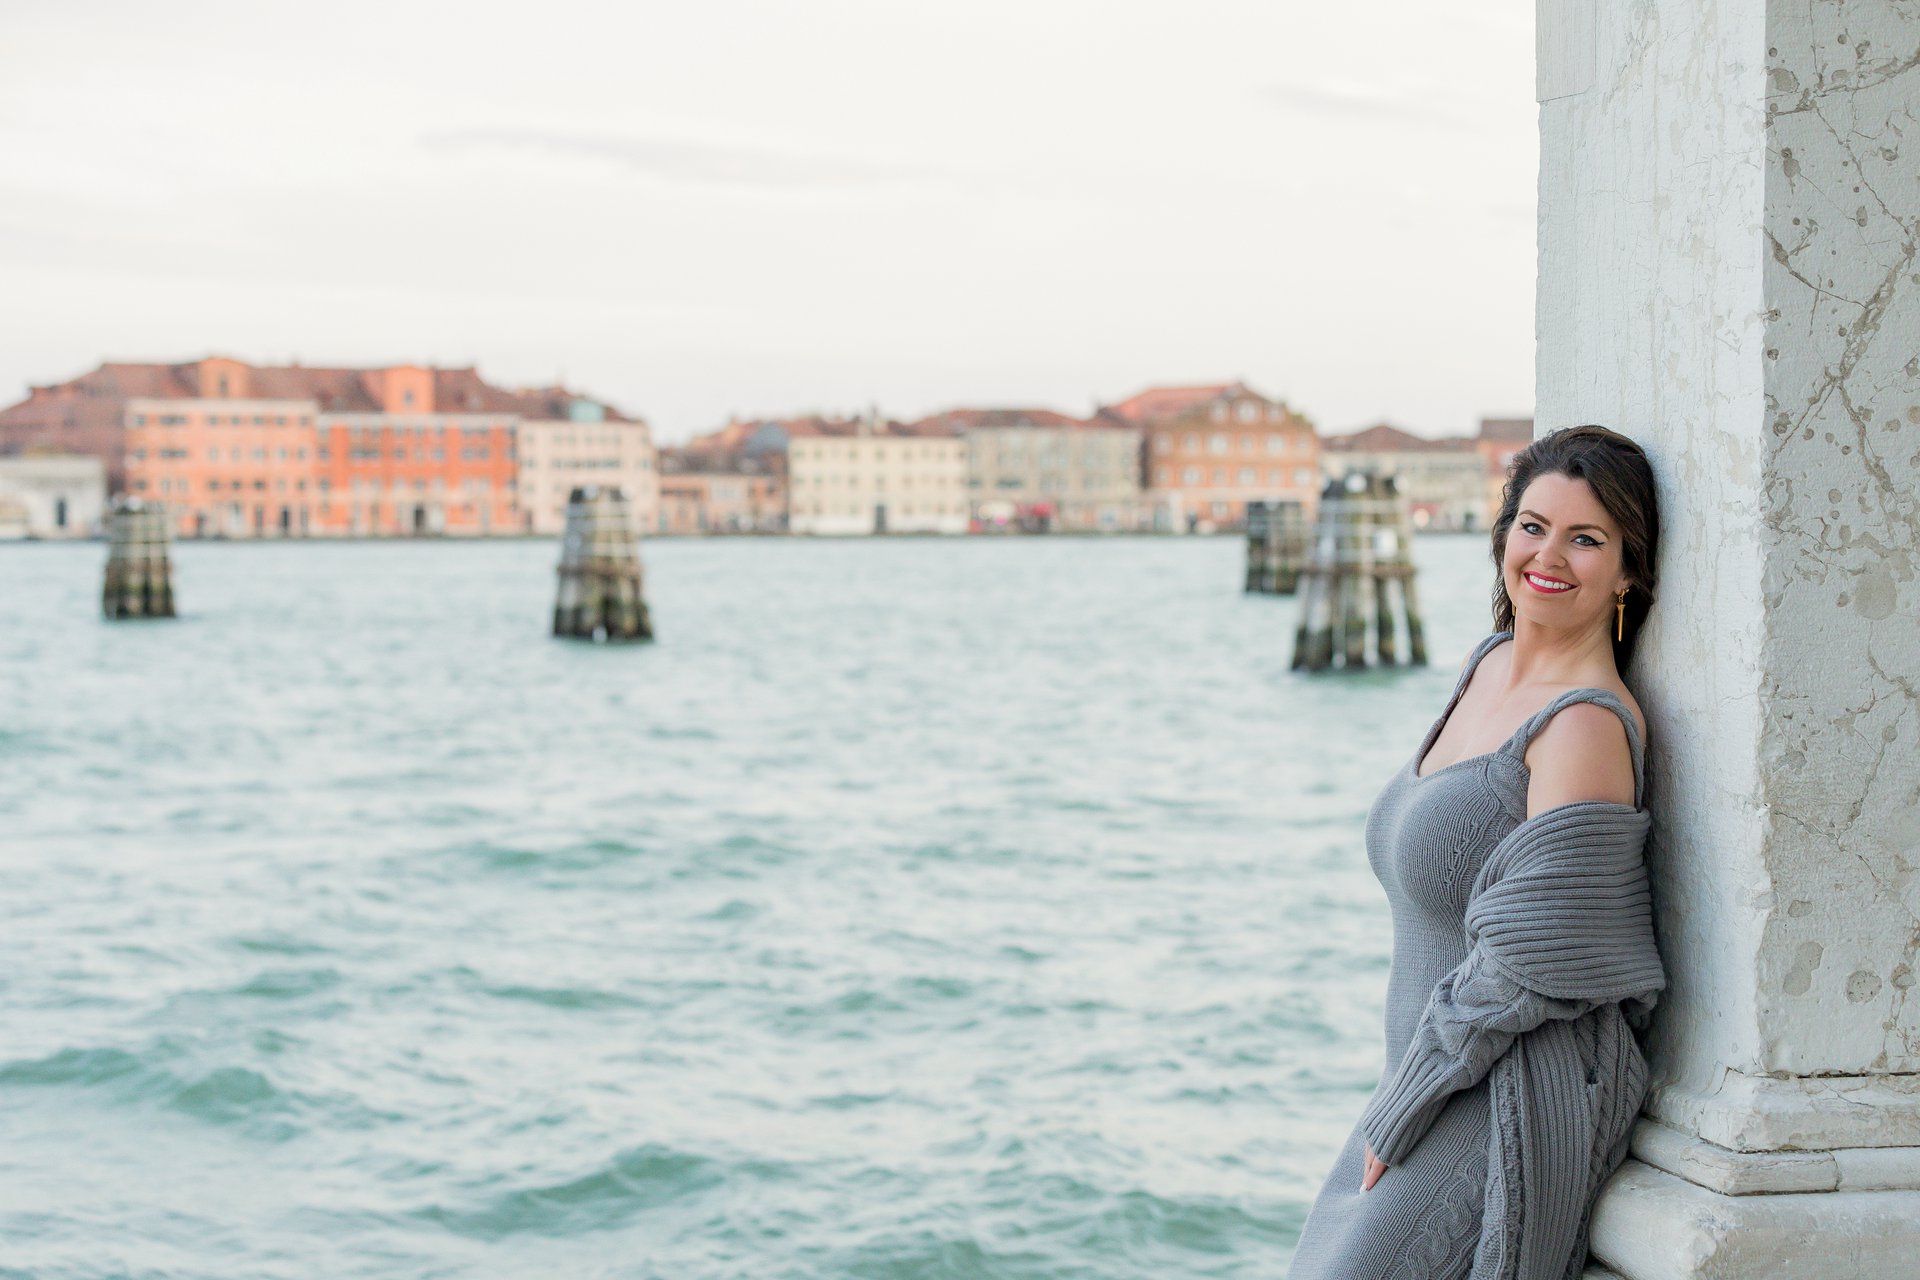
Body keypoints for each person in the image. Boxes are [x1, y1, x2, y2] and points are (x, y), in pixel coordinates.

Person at [1287, 426, 1666, 1280]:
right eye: (1533, 526)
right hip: (1424, 1076)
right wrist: (1402, 1096)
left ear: (1629, 572)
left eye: (1586, 539)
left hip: (1502, 1086)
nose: (1549, 556)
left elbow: (1527, 965)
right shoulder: (1486, 664)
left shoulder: (1583, 724)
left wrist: (1403, 1109)